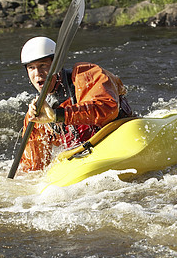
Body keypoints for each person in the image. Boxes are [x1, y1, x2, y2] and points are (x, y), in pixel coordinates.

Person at [19, 36, 134, 171]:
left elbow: (108, 108)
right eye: (31, 68)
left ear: (57, 65)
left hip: (117, 134)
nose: (37, 73)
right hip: (85, 152)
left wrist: (58, 115)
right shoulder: (36, 114)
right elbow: (34, 166)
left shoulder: (86, 75)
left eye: (43, 65)